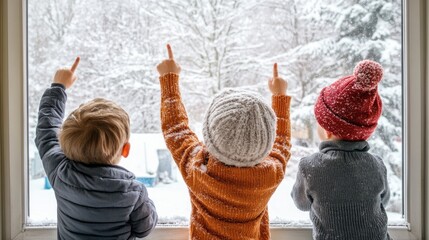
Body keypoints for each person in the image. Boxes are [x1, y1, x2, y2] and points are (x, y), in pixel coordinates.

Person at [157, 44, 292, 239]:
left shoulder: (198, 169)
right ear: (265, 143)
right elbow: (282, 143)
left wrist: (169, 77)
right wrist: (280, 97)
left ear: (210, 136)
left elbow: (175, 129)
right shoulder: (270, 175)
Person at [35, 57, 158, 240]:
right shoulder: (133, 191)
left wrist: (58, 87)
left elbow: (46, 129)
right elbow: (144, 229)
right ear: (125, 150)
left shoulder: (60, 173)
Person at [291, 60, 391, 240]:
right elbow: (383, 200)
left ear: (328, 130)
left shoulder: (310, 167)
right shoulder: (377, 165)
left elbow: (301, 203)